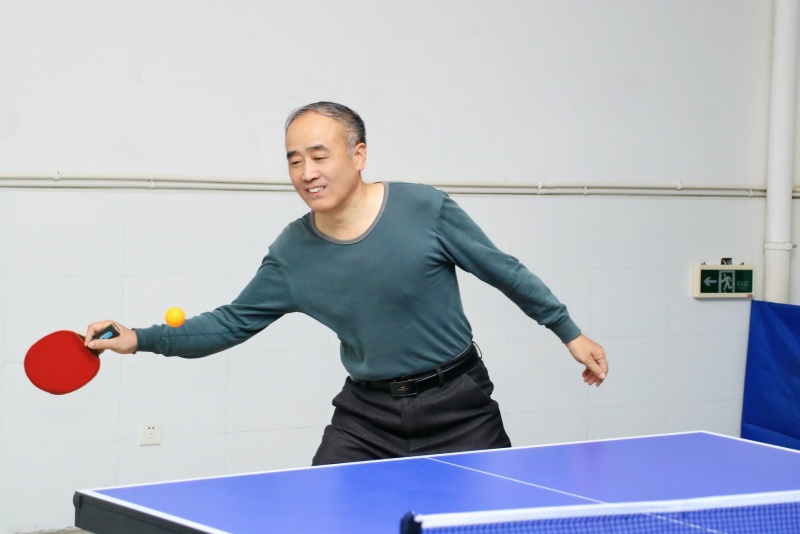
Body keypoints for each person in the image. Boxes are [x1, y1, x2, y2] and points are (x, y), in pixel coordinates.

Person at [86, 101, 607, 465]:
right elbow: (231, 322)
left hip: (459, 405)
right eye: (294, 160)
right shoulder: (292, 253)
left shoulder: (425, 209)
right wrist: (141, 338)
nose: (306, 172)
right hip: (367, 417)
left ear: (358, 155)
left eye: (319, 156)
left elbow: (503, 270)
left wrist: (568, 331)